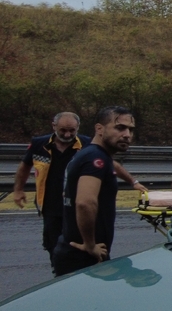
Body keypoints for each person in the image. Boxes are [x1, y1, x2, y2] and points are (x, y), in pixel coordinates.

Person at [13, 112, 145, 263]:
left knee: (75, 241)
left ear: (78, 128)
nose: (68, 134)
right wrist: (18, 190)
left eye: (72, 131)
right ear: (54, 126)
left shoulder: (88, 145)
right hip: (50, 204)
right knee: (55, 246)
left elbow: (110, 163)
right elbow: (24, 166)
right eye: (63, 130)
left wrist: (133, 181)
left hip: (73, 203)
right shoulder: (39, 144)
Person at [51, 106, 135, 276]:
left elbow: (70, 193)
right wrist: (90, 244)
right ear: (99, 129)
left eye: (130, 129)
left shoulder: (88, 154)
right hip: (83, 256)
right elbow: (85, 203)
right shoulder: (96, 159)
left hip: (73, 251)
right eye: (119, 128)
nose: (127, 134)